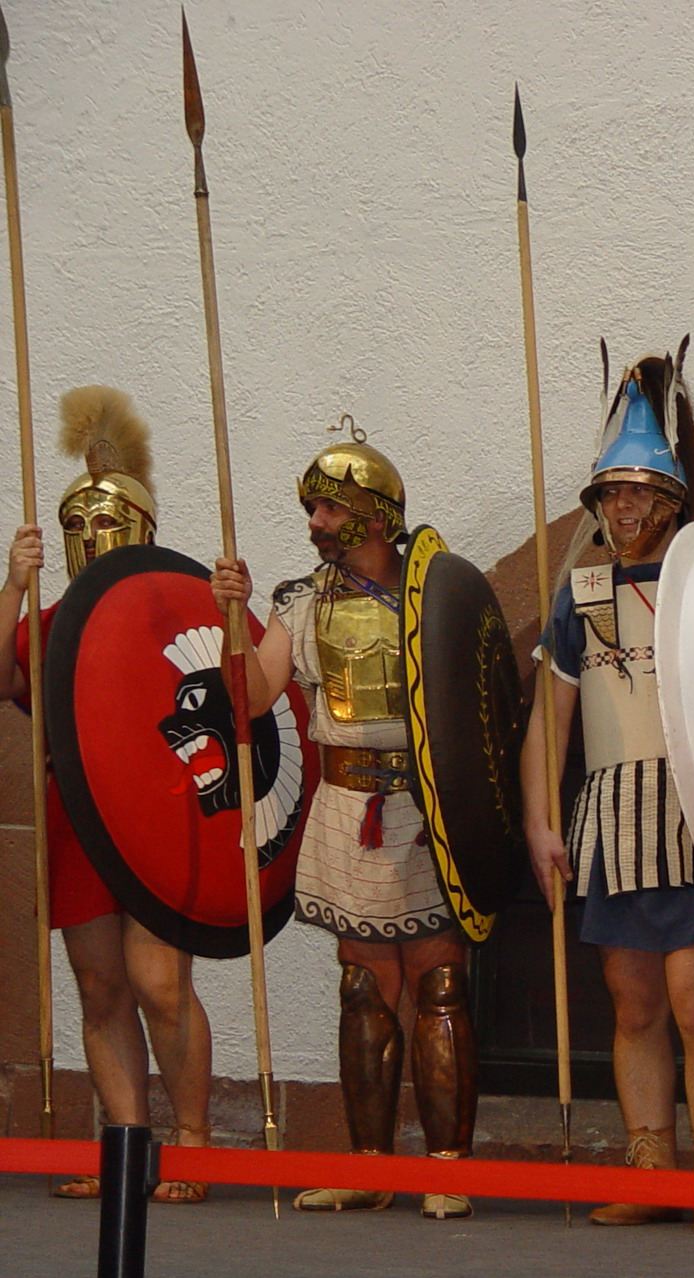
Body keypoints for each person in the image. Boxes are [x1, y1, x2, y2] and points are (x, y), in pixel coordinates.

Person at [211, 421, 476, 1217]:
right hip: (346, 802)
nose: (315, 524)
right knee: (365, 985)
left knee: (438, 983)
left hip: (425, 809)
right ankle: (370, 1166)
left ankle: (449, 1171)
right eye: (312, 510)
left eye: (328, 509)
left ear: (372, 513)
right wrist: (235, 615)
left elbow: (482, 706)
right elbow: (250, 699)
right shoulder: (301, 604)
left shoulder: (436, 596)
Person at [520, 346, 694, 1234]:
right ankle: (651, 1168)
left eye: (638, 492)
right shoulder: (581, 592)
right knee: (635, 1005)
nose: (622, 507)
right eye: (612, 492)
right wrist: (541, 821)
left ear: (671, 499)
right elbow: (550, 721)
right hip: (614, 816)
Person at [1, 387, 213, 1201]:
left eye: (107, 522)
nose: (91, 538)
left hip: (159, 812)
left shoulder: (178, 607)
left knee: (160, 983)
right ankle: (126, 1145)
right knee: (99, 986)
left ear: (143, 528)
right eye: (76, 525)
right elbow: (3, 678)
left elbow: (243, 695)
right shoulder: (50, 623)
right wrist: (14, 588)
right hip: (77, 817)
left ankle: (193, 1144)